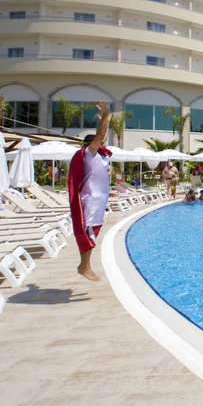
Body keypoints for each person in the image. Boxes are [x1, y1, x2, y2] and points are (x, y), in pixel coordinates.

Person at [68, 101, 112, 282]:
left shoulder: (101, 156)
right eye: (98, 141)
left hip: (99, 199)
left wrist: (106, 120)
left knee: (94, 230)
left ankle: (85, 264)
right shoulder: (88, 154)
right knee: (87, 232)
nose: (102, 142)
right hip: (90, 199)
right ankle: (84, 265)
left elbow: (103, 135)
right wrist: (106, 116)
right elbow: (100, 136)